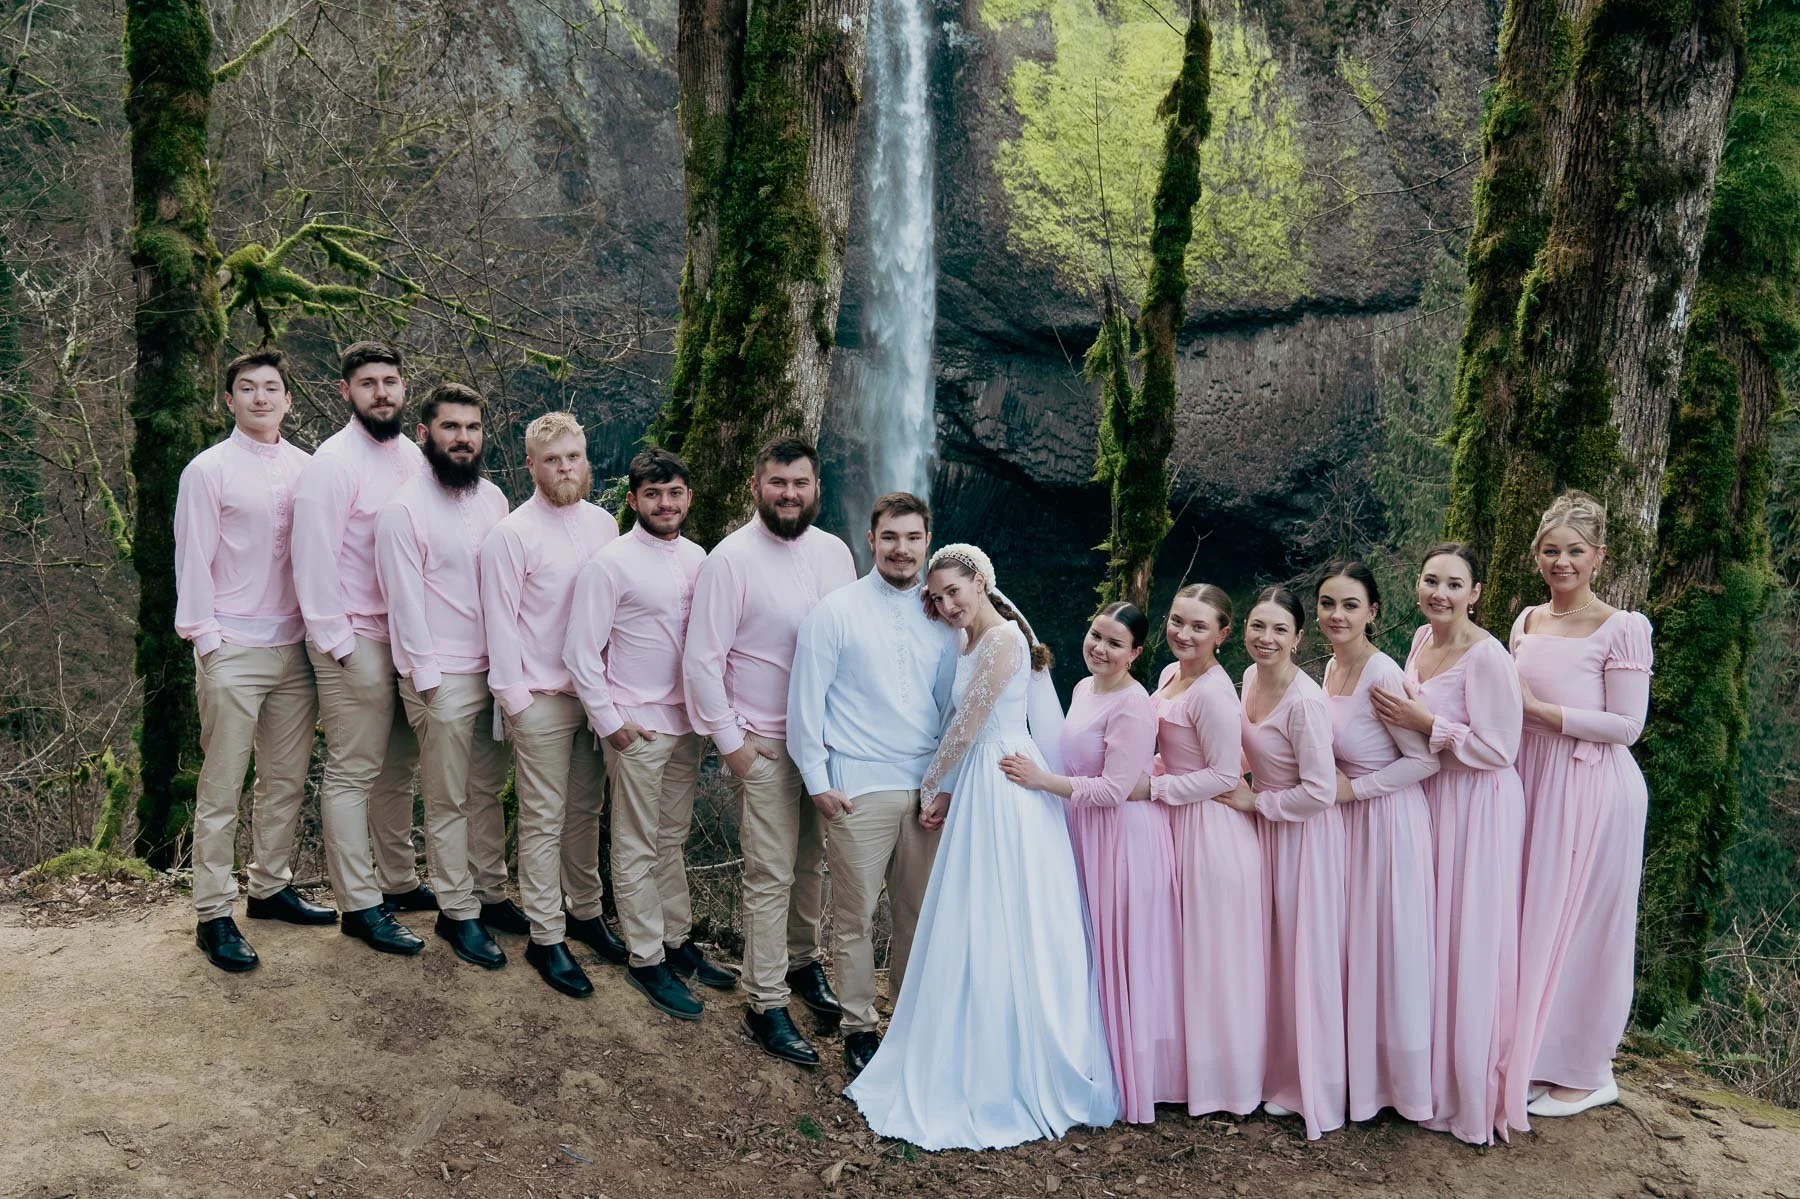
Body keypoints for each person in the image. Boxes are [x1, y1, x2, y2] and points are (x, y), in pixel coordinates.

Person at [846, 543, 1117, 1151]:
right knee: (969, 915)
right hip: (977, 781)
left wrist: (931, 785)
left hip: (1002, 784)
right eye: (936, 597)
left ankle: (1010, 1057)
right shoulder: (969, 638)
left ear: (982, 582)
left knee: (1002, 913)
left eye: (954, 594)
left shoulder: (1004, 642)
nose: (945, 605)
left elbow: (968, 723)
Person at [682, 437, 857, 1065]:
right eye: (777, 482)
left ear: (816, 489)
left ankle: (804, 963)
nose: (789, 493)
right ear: (756, 486)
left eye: (800, 483)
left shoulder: (836, 553)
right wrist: (732, 746)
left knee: (811, 864)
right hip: (765, 745)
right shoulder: (730, 560)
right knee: (769, 872)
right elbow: (702, 660)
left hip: (827, 745)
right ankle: (765, 1001)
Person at [787, 492, 958, 1078]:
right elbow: (804, 705)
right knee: (855, 919)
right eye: (891, 537)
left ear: (927, 543)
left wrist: (949, 784)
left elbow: (955, 710)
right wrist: (818, 781)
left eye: (913, 538)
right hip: (858, 787)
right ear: (871, 540)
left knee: (916, 913)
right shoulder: (835, 612)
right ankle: (859, 1027)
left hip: (928, 791)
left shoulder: (946, 617)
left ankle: (907, 1022)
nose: (902, 549)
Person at [175, 349, 333, 971]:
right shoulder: (207, 471)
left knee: (285, 779)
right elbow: (192, 556)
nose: (261, 397)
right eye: (248, 388)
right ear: (229, 400)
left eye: (272, 388)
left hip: (297, 647)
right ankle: (213, 912)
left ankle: (270, 886)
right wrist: (206, 639)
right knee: (222, 784)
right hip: (232, 644)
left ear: (289, 400)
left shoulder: (309, 469)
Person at [565, 448, 734, 1021]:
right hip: (637, 728)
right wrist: (610, 724)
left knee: (670, 836)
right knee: (636, 842)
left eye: (676, 493)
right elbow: (580, 652)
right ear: (633, 499)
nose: (666, 504)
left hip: (687, 725)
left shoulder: (700, 559)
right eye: (654, 494)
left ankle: (677, 941)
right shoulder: (610, 564)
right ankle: (644, 957)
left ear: (688, 498)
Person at [1372, 542, 1529, 1145]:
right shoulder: (1418, 640)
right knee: (1432, 935)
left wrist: (1427, 725)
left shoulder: (1487, 657)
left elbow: (1499, 750)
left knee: (1470, 936)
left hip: (1480, 805)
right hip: (1434, 799)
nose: (1440, 593)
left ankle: (1466, 1089)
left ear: (1475, 593)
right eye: (1431, 580)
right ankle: (1420, 1075)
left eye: (1454, 584)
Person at [1000, 603, 1177, 1124]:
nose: (1100, 647)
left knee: (1120, 954)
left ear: (1136, 654)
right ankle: (1087, 1062)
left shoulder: (1132, 704)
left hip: (1122, 839)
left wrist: (1042, 781)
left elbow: (1117, 789)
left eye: (1115, 643)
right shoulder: (1082, 688)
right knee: (1085, 950)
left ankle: (1132, 1082)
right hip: (1083, 829)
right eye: (1096, 634)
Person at [1510, 491, 1653, 1119]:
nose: (1560, 562)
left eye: (1574, 551)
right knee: (1535, 917)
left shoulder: (1624, 628)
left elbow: (1627, 724)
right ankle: (1537, 1054)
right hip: (1531, 779)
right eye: (1550, 550)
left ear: (1599, 556)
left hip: (1593, 785)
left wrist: (1542, 713)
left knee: (1589, 925)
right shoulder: (1525, 621)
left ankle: (1590, 1071)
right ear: (1536, 554)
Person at [374, 382, 524, 971]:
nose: (463, 439)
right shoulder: (403, 510)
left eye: (473, 428)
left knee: (486, 790)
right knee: (447, 797)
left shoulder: (493, 499)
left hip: (496, 672)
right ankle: (456, 909)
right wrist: (428, 682)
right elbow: (403, 602)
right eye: (451, 428)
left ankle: (489, 893)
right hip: (441, 676)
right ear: (425, 434)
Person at [291, 341, 431, 955]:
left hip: (406, 642)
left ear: (404, 389)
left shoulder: (413, 458)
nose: (382, 392)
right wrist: (338, 643)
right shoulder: (332, 463)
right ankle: (360, 904)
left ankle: (397, 880)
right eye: (368, 383)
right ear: (345, 392)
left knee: (398, 769)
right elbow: (311, 557)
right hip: (354, 640)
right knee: (352, 772)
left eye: (391, 382)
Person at [479, 411, 621, 997]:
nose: (565, 469)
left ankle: (585, 912)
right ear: (532, 465)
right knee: (542, 819)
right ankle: (546, 935)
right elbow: (500, 623)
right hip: (538, 696)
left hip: (595, 699)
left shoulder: (606, 525)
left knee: (587, 812)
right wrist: (515, 702)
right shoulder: (512, 535)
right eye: (553, 460)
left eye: (574, 458)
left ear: (586, 460)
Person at [1217, 587, 1344, 1140]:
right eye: (1256, 626)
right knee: (1267, 953)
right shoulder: (1247, 680)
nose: (1265, 639)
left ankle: (1309, 1087)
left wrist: (1256, 801)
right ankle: (1267, 1069)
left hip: (1303, 837)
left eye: (1278, 630)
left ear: (1298, 638)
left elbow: (1320, 791)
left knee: (1302, 954)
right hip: (1263, 831)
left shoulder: (1306, 701)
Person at [1315, 563, 1436, 1124]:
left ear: (1373, 612)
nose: (1336, 615)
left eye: (1349, 605)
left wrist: (1356, 791)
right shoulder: (1330, 668)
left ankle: (1397, 1085)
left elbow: (1423, 760)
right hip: (1346, 825)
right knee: (1352, 947)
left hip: (1387, 821)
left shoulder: (1381, 672)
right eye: (1327, 603)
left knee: (1390, 947)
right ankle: (1353, 1075)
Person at [1148, 585, 1265, 1118]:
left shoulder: (1213, 692)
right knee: (1180, 954)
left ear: (1221, 634)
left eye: (1198, 627)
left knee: (1214, 957)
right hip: (1175, 824)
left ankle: (1225, 1084)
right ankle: (1178, 1072)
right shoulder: (1171, 676)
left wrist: (1157, 788)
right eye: (1177, 621)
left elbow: (1224, 773)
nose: (1183, 634)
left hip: (1210, 833)